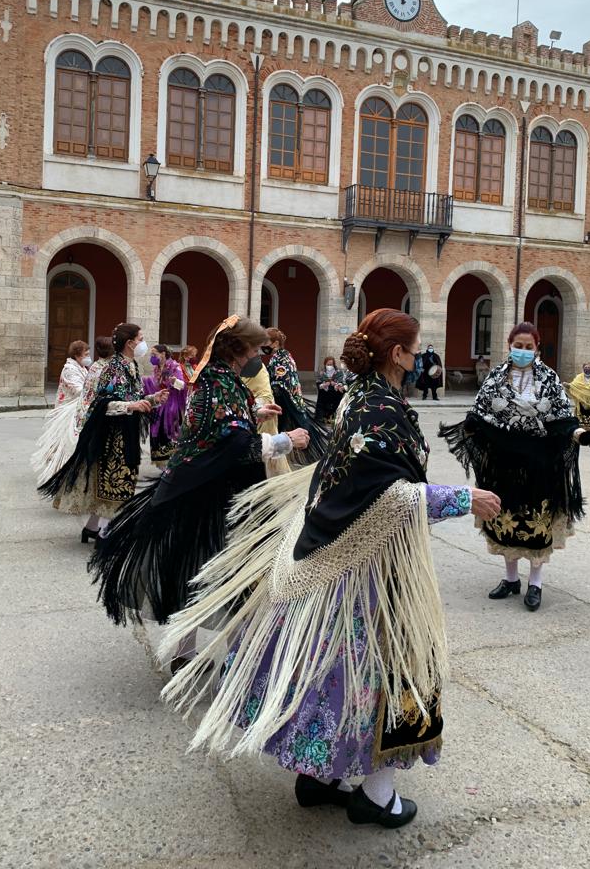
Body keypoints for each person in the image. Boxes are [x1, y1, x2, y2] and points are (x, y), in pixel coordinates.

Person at [158, 309, 501, 829]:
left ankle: (320, 777)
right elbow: (379, 495)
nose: (418, 353)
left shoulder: (361, 397)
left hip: (349, 558)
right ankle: (377, 795)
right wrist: (459, 499)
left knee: (337, 665)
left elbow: (345, 479)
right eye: (414, 346)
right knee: (394, 667)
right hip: (369, 568)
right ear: (398, 354)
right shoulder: (377, 407)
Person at [88, 316, 310, 630]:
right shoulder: (217, 380)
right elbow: (232, 443)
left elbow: (222, 421)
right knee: (192, 571)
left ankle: (187, 648)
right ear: (237, 349)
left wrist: (254, 412)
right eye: (256, 350)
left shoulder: (224, 377)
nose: (259, 357)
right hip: (201, 491)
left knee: (197, 570)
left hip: (209, 484)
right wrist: (286, 440)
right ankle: (184, 651)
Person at [440, 321, 590, 613]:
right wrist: (470, 428)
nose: (523, 351)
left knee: (537, 524)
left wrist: (580, 435)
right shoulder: (496, 378)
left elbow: (563, 420)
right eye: (518, 346)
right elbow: (480, 413)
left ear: (537, 348)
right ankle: (511, 579)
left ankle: (535, 583)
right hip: (504, 465)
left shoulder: (548, 378)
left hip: (539, 463)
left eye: (528, 347)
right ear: (509, 345)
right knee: (505, 520)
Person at [39, 324, 166, 544]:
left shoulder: (133, 365)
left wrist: (153, 399)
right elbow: (101, 404)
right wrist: (131, 406)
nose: (143, 343)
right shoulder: (112, 368)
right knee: (115, 481)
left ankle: (91, 528)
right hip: (111, 435)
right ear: (130, 343)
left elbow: (134, 396)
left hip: (128, 431)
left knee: (122, 480)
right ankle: (106, 532)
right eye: (141, 338)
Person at [31, 340, 90, 487]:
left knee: (67, 443)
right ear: (77, 355)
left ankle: (64, 469)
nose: (88, 356)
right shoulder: (69, 369)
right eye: (86, 354)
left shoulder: (82, 367)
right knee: (66, 443)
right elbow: (78, 389)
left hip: (76, 410)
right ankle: (59, 471)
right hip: (67, 410)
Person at [266, 327, 329, 464]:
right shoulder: (284, 355)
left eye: (266, 342)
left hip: (285, 397)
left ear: (275, 343)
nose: (264, 345)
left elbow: (280, 380)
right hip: (290, 396)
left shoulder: (279, 358)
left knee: (298, 423)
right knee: (292, 424)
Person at [241, 348, 289, 477]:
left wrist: (257, 409)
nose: (258, 353)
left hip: (263, 416)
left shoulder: (255, 366)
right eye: (254, 349)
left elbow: (265, 395)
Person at [143, 345, 187, 465]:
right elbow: (155, 384)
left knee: (169, 433)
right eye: (151, 355)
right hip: (159, 404)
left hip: (171, 406)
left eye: (154, 354)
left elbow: (183, 385)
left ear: (163, 354)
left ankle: (172, 463)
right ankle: (161, 462)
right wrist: (146, 381)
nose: (152, 357)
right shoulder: (157, 368)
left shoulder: (174, 366)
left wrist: (174, 381)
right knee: (157, 432)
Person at [314, 355, 346, 421]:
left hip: (335, 395)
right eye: (328, 364)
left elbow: (342, 382)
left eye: (331, 364)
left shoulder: (339, 372)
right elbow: (318, 382)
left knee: (335, 407)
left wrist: (336, 384)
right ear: (325, 364)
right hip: (324, 395)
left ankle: (334, 418)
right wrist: (324, 385)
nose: (329, 366)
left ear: (334, 364)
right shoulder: (322, 372)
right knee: (321, 406)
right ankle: (321, 418)